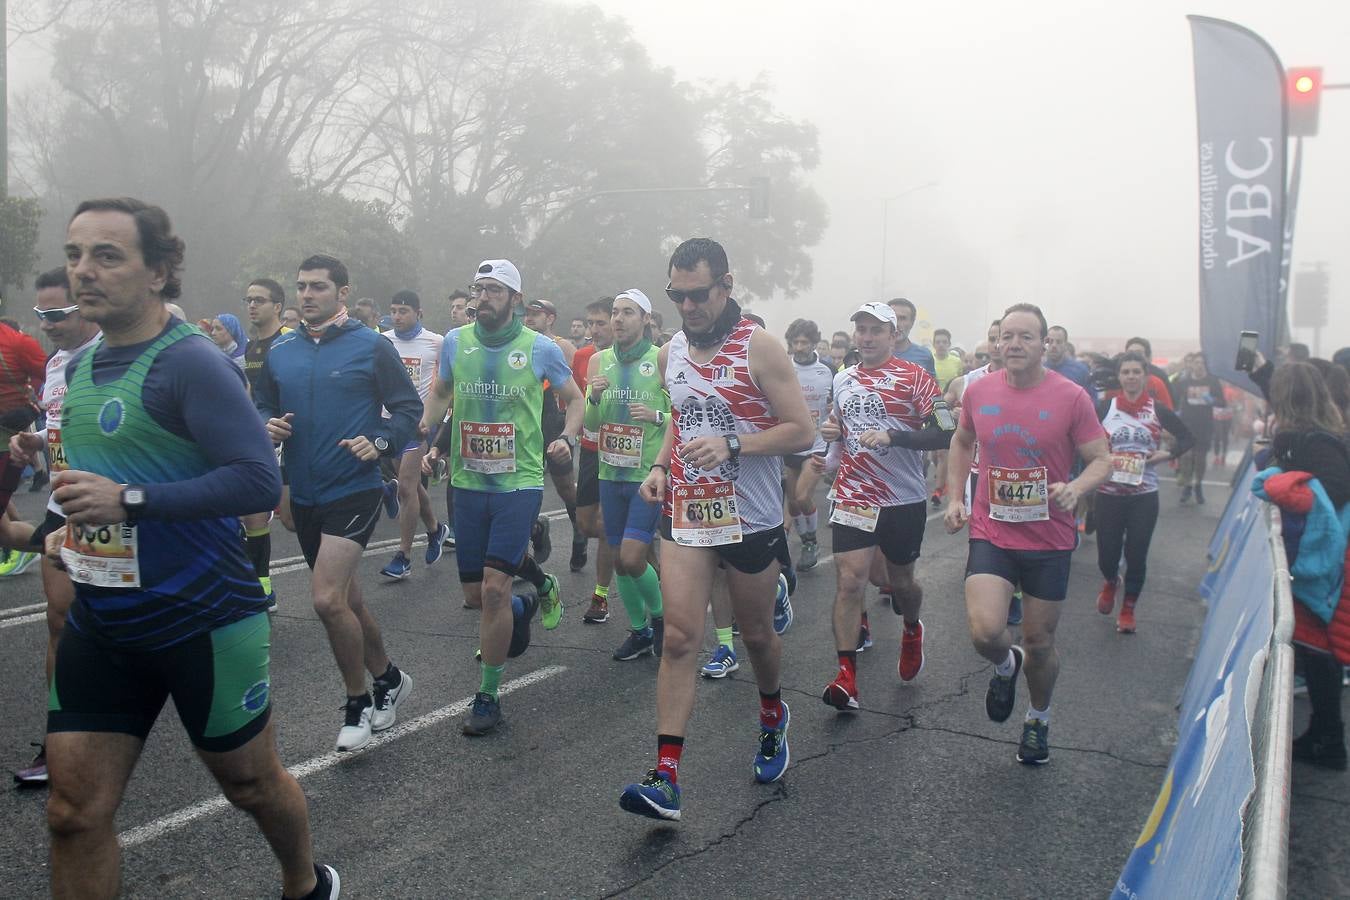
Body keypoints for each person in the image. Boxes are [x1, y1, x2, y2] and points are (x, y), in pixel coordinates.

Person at [31, 197, 337, 899]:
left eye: (107, 256)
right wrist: (64, 529)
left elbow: (256, 479)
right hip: (103, 622)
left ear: (160, 271)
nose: (85, 271)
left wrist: (129, 503)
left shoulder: (193, 364)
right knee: (73, 815)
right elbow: (96, 482)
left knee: (253, 785)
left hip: (200, 618)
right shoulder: (81, 371)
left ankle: (305, 882)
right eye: (77, 254)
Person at [618, 238, 813, 821]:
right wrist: (658, 466)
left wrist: (735, 443)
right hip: (687, 510)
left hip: (749, 515)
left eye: (697, 294)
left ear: (726, 284)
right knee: (680, 637)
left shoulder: (761, 347)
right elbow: (680, 416)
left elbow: (800, 430)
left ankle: (774, 715)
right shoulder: (670, 350)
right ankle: (666, 777)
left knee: (755, 637)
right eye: (677, 295)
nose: (688, 305)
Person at [255, 253, 419, 752]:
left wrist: (383, 443)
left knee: (326, 598)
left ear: (342, 293)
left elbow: (408, 406)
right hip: (305, 491)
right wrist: (267, 423)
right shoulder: (280, 350)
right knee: (347, 600)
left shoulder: (371, 346)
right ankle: (389, 678)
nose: (307, 295)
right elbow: (261, 402)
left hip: (355, 486)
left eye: (319, 287)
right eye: (302, 286)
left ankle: (357, 702)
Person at [419, 259, 582, 736]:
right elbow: (442, 393)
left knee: (493, 587)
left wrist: (568, 439)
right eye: (478, 288)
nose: (482, 297)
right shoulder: (455, 342)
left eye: (493, 290)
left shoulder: (540, 348)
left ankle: (488, 697)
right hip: (466, 483)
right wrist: (428, 431)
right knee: (478, 596)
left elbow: (576, 400)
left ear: (515, 299)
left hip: (519, 483)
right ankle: (533, 595)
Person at [944, 303, 1110, 765]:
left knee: (1039, 643)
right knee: (985, 631)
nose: (1014, 344)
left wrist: (1076, 487)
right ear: (997, 342)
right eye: (1007, 336)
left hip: (1050, 539)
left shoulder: (1072, 396)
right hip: (992, 530)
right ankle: (1004, 664)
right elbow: (961, 440)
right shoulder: (980, 391)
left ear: (1045, 345)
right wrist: (956, 496)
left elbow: (1102, 458)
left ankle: (1038, 717)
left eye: (1026, 337)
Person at [818, 302, 950, 711]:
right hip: (855, 494)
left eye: (876, 330)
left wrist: (896, 437)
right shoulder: (843, 378)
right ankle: (846, 677)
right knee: (850, 581)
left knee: (902, 585)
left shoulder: (917, 378)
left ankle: (911, 628)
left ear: (894, 336)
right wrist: (830, 455)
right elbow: (839, 430)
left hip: (902, 498)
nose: (867, 337)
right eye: (861, 330)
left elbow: (947, 431)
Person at [9, 267, 101, 786]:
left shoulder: (115, 357)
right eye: (42, 314)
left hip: (115, 510)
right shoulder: (55, 362)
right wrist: (39, 440)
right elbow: (62, 428)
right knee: (61, 621)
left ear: (86, 303)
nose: (49, 324)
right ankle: (60, 742)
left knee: (132, 628)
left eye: (59, 314)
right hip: (64, 504)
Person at [1251, 362, 1349, 770]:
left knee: (1319, 645)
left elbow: (1333, 491)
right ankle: (1325, 732)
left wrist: (1283, 482)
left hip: (1328, 558)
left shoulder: (1312, 441)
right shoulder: (1321, 434)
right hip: (1329, 554)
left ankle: (1329, 737)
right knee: (1316, 643)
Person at [584, 289, 670, 659]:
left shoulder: (661, 359)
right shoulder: (598, 361)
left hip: (646, 475)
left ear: (646, 319)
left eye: (628, 313)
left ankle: (664, 619)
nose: (618, 319)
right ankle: (640, 632)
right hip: (610, 471)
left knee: (635, 558)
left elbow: (681, 419)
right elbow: (589, 425)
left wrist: (655, 416)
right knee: (619, 559)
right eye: (615, 312)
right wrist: (594, 398)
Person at [1093, 353, 1194, 632]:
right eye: (1126, 372)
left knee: (1137, 554)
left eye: (1136, 371)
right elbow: (1083, 437)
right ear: (1119, 376)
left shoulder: (1158, 410)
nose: (1131, 377)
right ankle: (1111, 580)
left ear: (1145, 375)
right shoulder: (1105, 407)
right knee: (1107, 556)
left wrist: (1168, 453)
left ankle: (1128, 609)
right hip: (1109, 493)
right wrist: (1100, 455)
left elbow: (1187, 436)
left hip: (1144, 495)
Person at [378, 290, 451, 579]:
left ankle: (404, 557)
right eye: (393, 310)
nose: (397, 316)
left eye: (403, 311)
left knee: (406, 488)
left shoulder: (437, 343)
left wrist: (438, 416)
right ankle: (435, 530)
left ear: (418, 313)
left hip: (418, 424)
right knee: (411, 487)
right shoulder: (383, 341)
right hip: (387, 423)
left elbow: (447, 384)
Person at [523, 297, 586, 602]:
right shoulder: (520, 342)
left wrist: (569, 432)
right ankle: (534, 530)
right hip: (525, 422)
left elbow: (575, 390)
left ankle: (579, 531)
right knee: (524, 483)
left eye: (536, 314)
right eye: (527, 314)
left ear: (550, 318)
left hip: (552, 421)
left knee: (564, 485)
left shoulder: (561, 347)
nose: (529, 318)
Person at [240, 278, 292, 600]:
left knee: (290, 520)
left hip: (291, 437)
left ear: (278, 307)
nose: (252, 305)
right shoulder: (252, 345)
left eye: (259, 299)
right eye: (248, 300)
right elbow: (252, 392)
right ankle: (261, 587)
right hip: (261, 439)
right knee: (252, 514)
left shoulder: (290, 340)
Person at [572, 298, 617, 588]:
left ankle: (600, 596)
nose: (594, 329)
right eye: (591, 323)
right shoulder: (583, 356)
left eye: (601, 323)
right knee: (587, 524)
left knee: (608, 527)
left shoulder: (642, 359)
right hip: (590, 448)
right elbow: (577, 400)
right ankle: (652, 565)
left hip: (623, 453)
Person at [784, 318, 833, 570]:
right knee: (792, 503)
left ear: (814, 343)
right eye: (796, 342)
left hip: (816, 444)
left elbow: (836, 406)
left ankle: (812, 542)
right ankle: (805, 541)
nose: (800, 347)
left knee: (803, 496)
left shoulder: (827, 371)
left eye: (805, 342)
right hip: (789, 444)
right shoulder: (784, 368)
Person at [1175, 352, 1225, 504]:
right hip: (1187, 423)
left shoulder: (1212, 381)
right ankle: (1187, 485)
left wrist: (1212, 400)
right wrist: (1175, 413)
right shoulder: (1184, 382)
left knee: (1200, 458)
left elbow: (1222, 402)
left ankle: (1198, 484)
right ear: (1192, 364)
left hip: (1204, 424)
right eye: (1196, 362)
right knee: (1186, 456)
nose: (1199, 365)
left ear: (1205, 365)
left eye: (1202, 363)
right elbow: (1175, 399)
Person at [887, 297, 936, 377]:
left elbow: (932, 387)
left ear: (912, 322)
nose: (897, 324)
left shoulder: (924, 355)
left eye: (902, 319)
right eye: (893, 318)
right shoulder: (872, 353)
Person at [1045, 325, 1096, 402]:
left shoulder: (1081, 370)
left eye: (1058, 342)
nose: (1054, 345)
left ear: (1065, 345)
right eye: (1050, 341)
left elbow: (1092, 400)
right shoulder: (1036, 370)